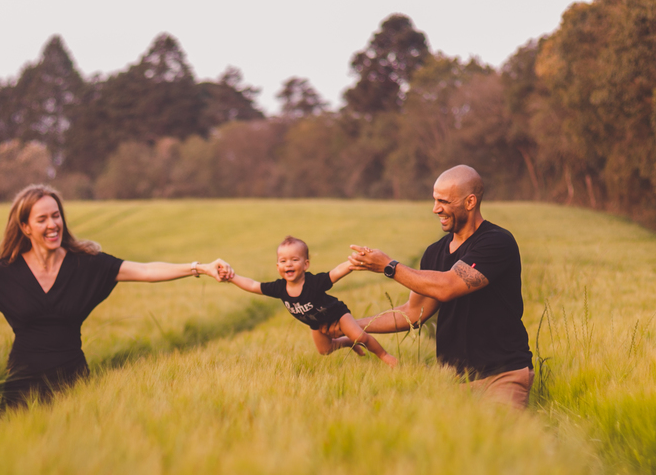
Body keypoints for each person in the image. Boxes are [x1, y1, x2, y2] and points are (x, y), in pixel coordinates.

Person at [0, 184, 232, 405]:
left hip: (74, 384)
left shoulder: (86, 265)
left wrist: (199, 267)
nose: (53, 224)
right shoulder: (4, 271)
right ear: (25, 227)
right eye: (42, 219)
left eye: (56, 215)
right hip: (21, 387)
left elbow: (145, 271)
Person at [342, 165, 534, 409]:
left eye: (443, 201)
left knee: (502, 446)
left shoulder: (496, 242)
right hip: (453, 381)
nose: (435, 209)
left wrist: (388, 266)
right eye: (434, 200)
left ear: (470, 202)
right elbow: (413, 313)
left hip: (501, 377)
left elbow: (449, 286)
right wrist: (349, 325)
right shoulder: (434, 253)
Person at [226, 236, 397, 366]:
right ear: (278, 267)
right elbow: (252, 285)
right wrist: (231, 277)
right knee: (324, 350)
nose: (288, 264)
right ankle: (348, 342)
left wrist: (356, 260)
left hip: (337, 314)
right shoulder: (278, 288)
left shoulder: (314, 283)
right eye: (283, 261)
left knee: (360, 336)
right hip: (316, 323)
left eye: (294, 260)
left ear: (306, 264)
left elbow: (336, 272)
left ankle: (385, 357)